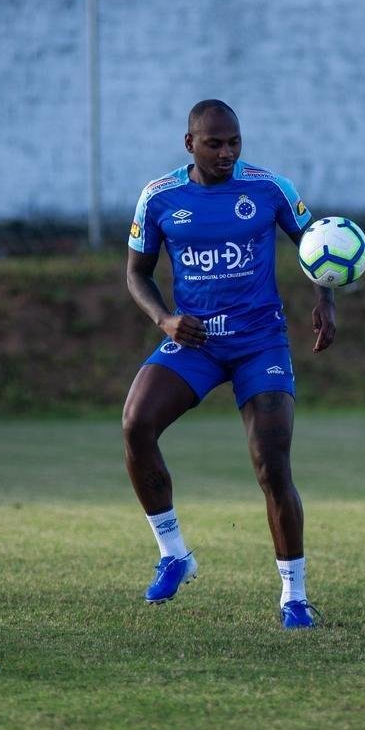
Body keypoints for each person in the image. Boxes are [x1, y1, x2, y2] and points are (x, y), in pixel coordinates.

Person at [122, 100, 337, 628]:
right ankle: (174, 553)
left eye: (234, 142)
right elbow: (136, 274)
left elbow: (316, 244)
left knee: (271, 462)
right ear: (189, 143)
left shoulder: (270, 188)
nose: (226, 152)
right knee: (136, 423)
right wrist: (164, 320)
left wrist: (325, 299)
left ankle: (294, 596)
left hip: (259, 343)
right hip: (194, 342)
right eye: (214, 143)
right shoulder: (159, 197)